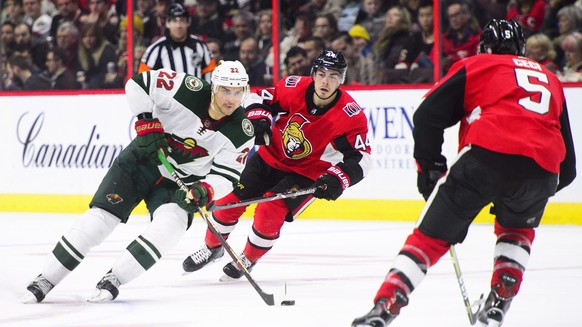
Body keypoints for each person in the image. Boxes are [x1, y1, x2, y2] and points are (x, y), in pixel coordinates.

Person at [351, 19, 576, 327]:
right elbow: (570, 169)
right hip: (544, 169)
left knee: (428, 239)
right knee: (517, 231)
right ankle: (499, 302)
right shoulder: (551, 78)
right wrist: (521, 195)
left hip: (486, 156)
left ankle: (385, 306)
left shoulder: (478, 65)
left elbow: (427, 114)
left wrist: (428, 168)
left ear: (485, 47)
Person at [21, 60, 256, 303]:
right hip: (140, 163)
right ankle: (46, 278)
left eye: (238, 92)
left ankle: (115, 279)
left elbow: (228, 176)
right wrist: (145, 119)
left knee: (170, 228)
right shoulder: (187, 88)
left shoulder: (242, 131)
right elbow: (138, 84)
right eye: (225, 90)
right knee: (99, 221)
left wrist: (205, 189)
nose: (231, 98)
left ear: (245, 92)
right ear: (214, 87)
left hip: (179, 184)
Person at [180, 49, 372, 281]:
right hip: (269, 158)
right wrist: (259, 120)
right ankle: (213, 248)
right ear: (313, 74)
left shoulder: (350, 115)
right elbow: (259, 99)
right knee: (228, 201)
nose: (325, 81)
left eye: (333, 76)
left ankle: (248, 259)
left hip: (307, 173)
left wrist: (339, 178)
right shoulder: (292, 87)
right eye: (321, 74)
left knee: (269, 211)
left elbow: (362, 157)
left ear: (341, 80)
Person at [139, 2, 215, 82]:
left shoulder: (200, 46)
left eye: (182, 20)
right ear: (168, 23)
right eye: (174, 21)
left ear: (188, 22)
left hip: (196, 94)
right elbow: (143, 79)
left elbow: (210, 74)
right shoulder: (156, 49)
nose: (178, 25)